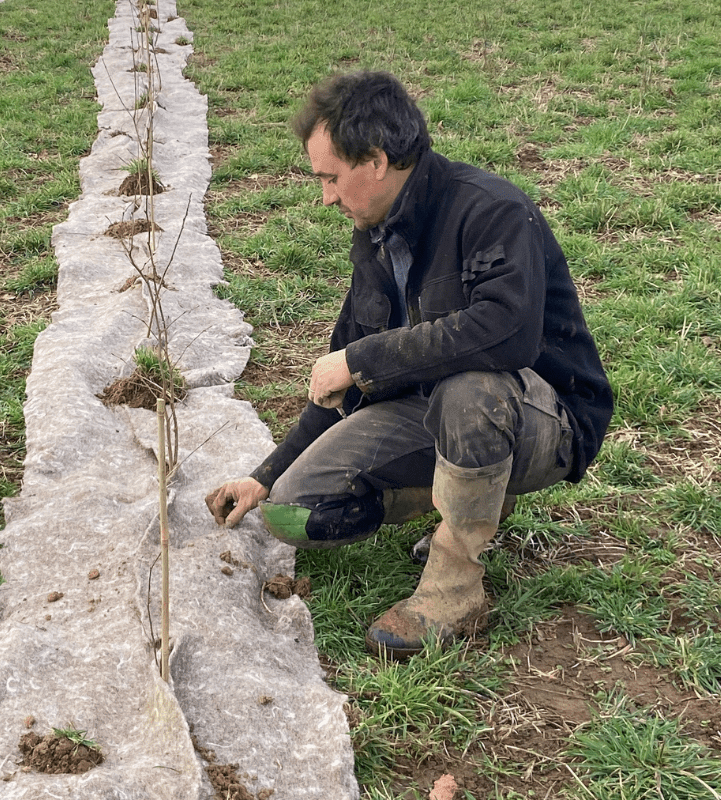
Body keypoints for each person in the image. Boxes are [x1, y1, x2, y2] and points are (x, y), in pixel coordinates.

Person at [205, 71, 612, 658]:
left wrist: (363, 359)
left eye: (330, 178)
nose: (325, 197)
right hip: (434, 411)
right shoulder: (375, 234)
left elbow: (507, 333)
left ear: (375, 159)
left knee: (469, 393)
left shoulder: (491, 211)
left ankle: (455, 588)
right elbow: (341, 380)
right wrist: (264, 476)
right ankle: (470, 502)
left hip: (544, 420)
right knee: (293, 513)